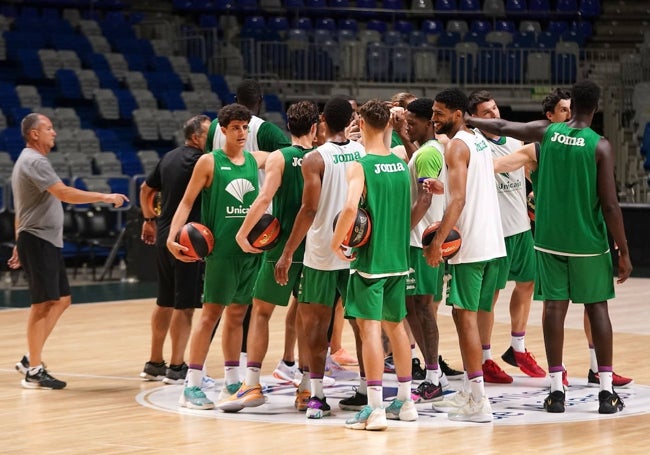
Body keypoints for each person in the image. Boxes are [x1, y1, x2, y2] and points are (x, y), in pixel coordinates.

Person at [466, 80, 632, 414]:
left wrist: (469, 121)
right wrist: (623, 251)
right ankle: (605, 391)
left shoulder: (547, 133)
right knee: (597, 309)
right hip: (588, 242)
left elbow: (501, 125)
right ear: (596, 108)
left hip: (548, 240)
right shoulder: (599, 146)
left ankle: (556, 392)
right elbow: (611, 205)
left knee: (553, 309)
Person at [10, 113, 128, 389]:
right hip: (38, 240)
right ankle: (34, 370)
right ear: (34, 134)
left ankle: (31, 358)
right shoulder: (34, 161)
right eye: (49, 128)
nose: (55, 133)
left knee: (61, 299)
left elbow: (21, 207)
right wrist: (104, 196)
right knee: (42, 305)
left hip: (41, 240)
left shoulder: (31, 161)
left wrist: (18, 240)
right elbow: (64, 193)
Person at [167, 104, 267, 410]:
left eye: (245, 128)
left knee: (237, 315)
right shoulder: (209, 162)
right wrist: (172, 237)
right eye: (235, 127)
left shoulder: (255, 160)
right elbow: (185, 203)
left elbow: (290, 156)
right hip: (221, 253)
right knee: (210, 315)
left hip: (249, 252)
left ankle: (232, 379)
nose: (241, 133)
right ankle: (192, 385)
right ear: (222, 130)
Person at [225, 100, 319, 412]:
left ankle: (252, 384)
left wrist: (242, 232)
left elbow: (265, 197)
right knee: (309, 319)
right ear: (315, 128)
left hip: (280, 248)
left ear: (288, 127)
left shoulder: (281, 157)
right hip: (315, 248)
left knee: (261, 312)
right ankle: (307, 389)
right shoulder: (323, 158)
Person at [275, 97, 366, 419]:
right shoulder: (363, 154)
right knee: (362, 326)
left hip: (321, 254)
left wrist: (286, 253)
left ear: (323, 120)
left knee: (315, 325)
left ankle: (315, 396)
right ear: (350, 119)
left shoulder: (315, 159)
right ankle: (366, 391)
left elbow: (309, 208)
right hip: (356, 250)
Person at [332, 99, 417, 431]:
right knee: (397, 329)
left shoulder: (360, 165)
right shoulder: (399, 161)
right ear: (388, 126)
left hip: (370, 262)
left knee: (369, 331)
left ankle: (375, 408)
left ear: (361, 124)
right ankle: (406, 402)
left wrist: (337, 242)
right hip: (398, 260)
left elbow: (351, 209)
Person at [423, 88, 506, 423]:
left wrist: (436, 242)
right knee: (466, 317)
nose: (434, 119)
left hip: (470, 246)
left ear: (457, 114)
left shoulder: (456, 146)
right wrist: (443, 184)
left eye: (439, 113)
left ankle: (479, 402)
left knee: (464, 318)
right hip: (493, 243)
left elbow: (458, 202)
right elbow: (472, 186)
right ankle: (472, 393)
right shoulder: (479, 141)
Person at [205, 78, 291, 381]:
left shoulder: (215, 128)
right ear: (261, 101)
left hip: (219, 220)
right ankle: (241, 365)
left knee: (218, 306)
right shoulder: (266, 129)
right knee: (246, 305)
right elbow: (290, 164)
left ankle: (207, 369)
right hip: (256, 222)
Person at [467, 90, 546, 383]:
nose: (495, 114)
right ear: (475, 118)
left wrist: (537, 191)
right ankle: (485, 358)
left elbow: (527, 172)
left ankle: (517, 347)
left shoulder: (514, 140)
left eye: (495, 108)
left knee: (527, 284)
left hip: (521, 228)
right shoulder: (473, 145)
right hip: (493, 232)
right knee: (490, 297)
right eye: (487, 112)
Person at [138, 114, 211, 384]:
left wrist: (148, 219)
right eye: (208, 133)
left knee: (164, 301)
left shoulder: (168, 157)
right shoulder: (200, 162)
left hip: (164, 236)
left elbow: (146, 189)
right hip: (188, 240)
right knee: (185, 306)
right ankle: (177, 367)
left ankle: (154, 363)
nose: (213, 138)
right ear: (195, 137)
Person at [402, 97, 451, 402]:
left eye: (412, 121)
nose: (407, 125)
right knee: (412, 307)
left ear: (429, 123)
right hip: (418, 240)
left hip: (421, 241)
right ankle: (433, 370)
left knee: (422, 308)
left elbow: (425, 199)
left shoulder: (429, 154)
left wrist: (398, 232)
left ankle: (433, 375)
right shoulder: (424, 152)